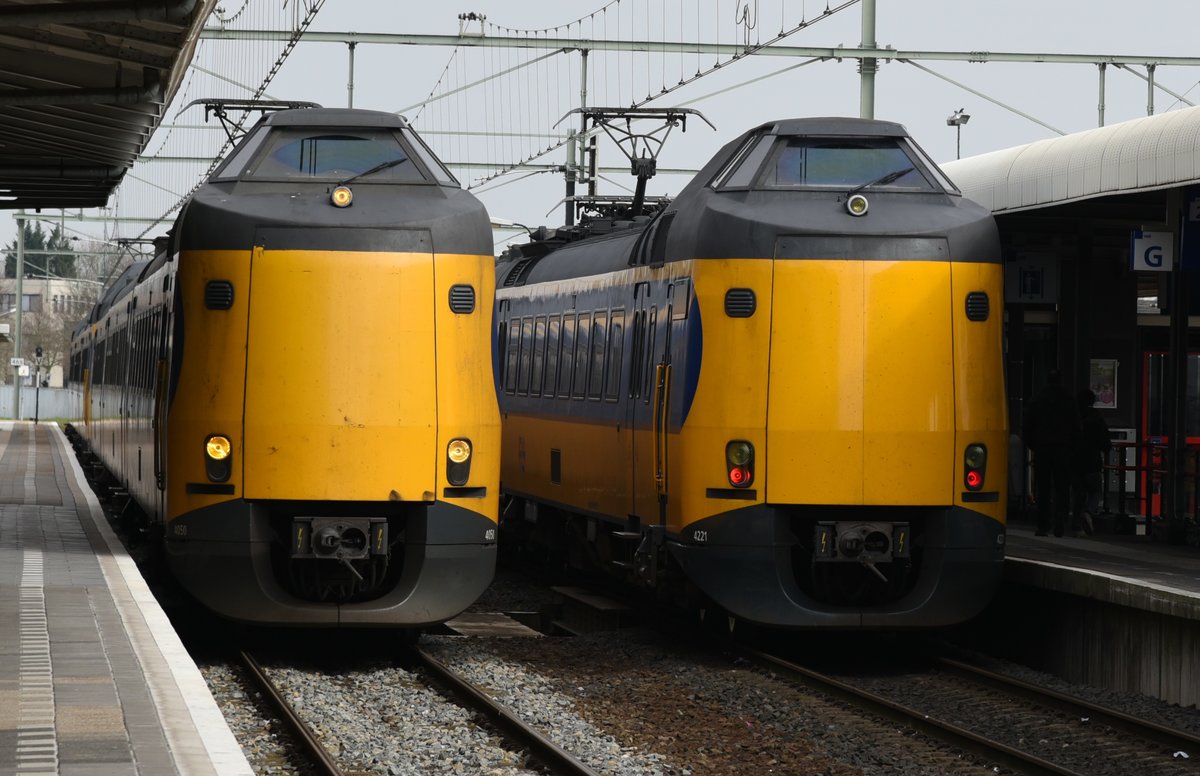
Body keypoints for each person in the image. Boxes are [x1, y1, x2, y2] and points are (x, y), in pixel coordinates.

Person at [1022, 369, 1079, 537]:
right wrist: (1072, 448)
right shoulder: (1068, 400)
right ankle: (1060, 521)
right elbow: (1076, 427)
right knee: (1062, 487)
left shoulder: (1038, 399)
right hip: (1063, 448)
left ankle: (1043, 525)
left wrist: (1033, 444)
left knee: (1043, 488)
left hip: (1043, 448)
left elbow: (1027, 426)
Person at [1072, 388, 1111, 537]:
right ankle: (1088, 512)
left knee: (1078, 493)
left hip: (1075, 461)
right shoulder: (1097, 418)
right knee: (1095, 491)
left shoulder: (1074, 417)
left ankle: (1076, 525)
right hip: (1092, 461)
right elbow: (1105, 442)